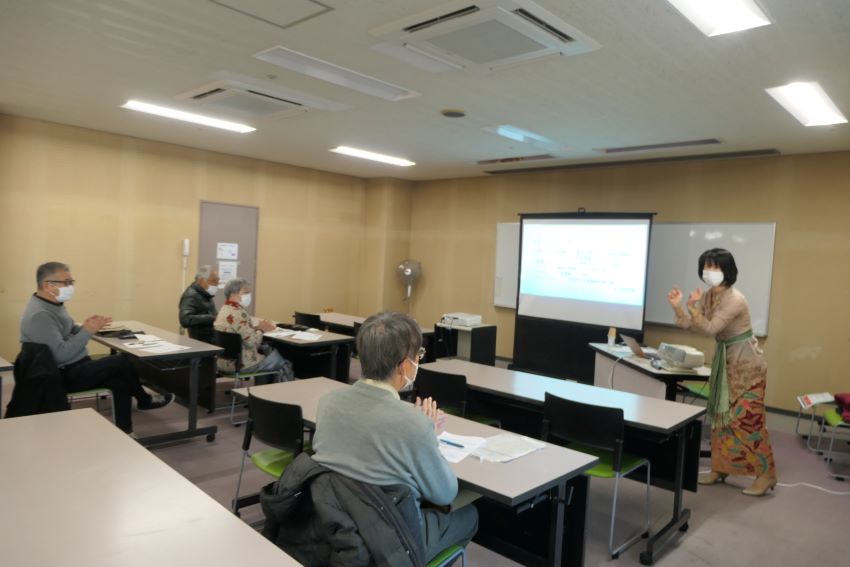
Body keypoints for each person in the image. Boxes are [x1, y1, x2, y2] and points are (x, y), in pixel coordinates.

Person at [311, 311, 478, 561]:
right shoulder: (415, 424)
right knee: (470, 515)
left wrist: (421, 426)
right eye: (418, 355)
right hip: (391, 536)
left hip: (336, 522)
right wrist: (428, 432)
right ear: (404, 365)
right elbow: (444, 493)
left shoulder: (327, 402)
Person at [668, 248, 777, 496]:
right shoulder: (709, 296)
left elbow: (710, 328)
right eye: (707, 266)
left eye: (715, 267)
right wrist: (679, 308)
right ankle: (721, 468)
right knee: (720, 419)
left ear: (727, 270)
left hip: (747, 365)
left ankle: (766, 474)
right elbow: (691, 325)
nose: (710, 272)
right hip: (725, 362)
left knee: (749, 421)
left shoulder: (735, 299)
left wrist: (693, 308)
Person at [19, 261, 174, 434]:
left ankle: (125, 432)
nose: (71, 287)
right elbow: (60, 355)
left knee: (119, 383)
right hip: (59, 376)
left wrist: (90, 326)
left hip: (75, 365)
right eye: (67, 282)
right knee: (123, 361)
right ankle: (144, 400)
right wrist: (87, 331)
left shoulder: (53, 304)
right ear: (48, 285)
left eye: (72, 282)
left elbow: (69, 328)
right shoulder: (40, 315)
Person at [213, 278, 292, 384]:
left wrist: (256, 328)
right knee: (283, 360)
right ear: (234, 293)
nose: (249, 295)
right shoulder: (239, 313)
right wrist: (262, 329)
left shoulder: (225, 309)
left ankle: (261, 392)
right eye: (246, 292)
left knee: (267, 354)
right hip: (241, 363)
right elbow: (252, 343)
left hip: (223, 362)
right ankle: (277, 397)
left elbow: (239, 333)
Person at [179, 265, 220, 343]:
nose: (217, 284)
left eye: (218, 281)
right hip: (200, 343)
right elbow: (185, 319)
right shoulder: (191, 295)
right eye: (214, 281)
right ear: (202, 281)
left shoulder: (205, 294)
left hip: (210, 340)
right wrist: (212, 318)